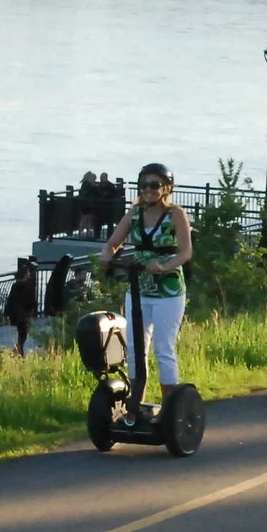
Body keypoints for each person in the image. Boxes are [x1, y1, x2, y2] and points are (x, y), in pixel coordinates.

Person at [101, 163, 193, 396]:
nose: (148, 190)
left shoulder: (176, 214)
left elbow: (185, 252)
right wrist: (107, 255)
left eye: (154, 185)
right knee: (134, 348)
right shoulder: (134, 213)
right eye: (144, 185)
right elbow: (113, 242)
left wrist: (163, 266)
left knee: (163, 349)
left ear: (166, 188)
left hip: (168, 291)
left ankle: (170, 405)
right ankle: (136, 402)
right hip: (139, 288)